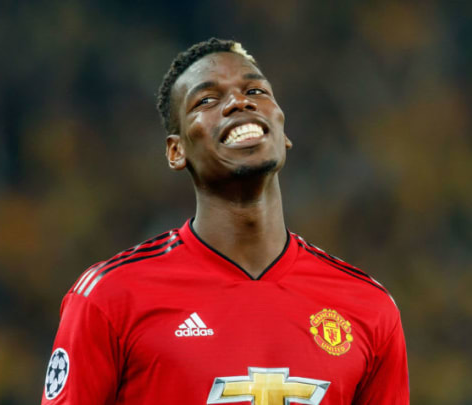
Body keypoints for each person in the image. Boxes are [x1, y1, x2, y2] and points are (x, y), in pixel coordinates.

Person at [41, 37, 409, 405]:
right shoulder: (110, 299)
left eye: (255, 90)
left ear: (283, 131)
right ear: (176, 150)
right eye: (207, 100)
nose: (239, 102)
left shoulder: (367, 308)